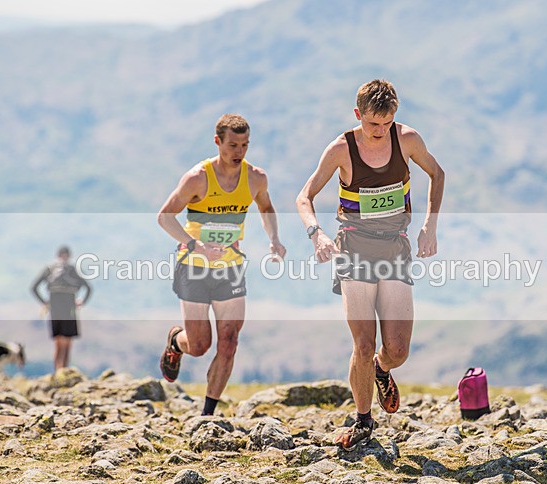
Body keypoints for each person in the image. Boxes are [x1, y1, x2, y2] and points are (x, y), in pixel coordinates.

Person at [296, 80, 445, 449]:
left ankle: (382, 369)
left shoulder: (407, 139)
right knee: (362, 344)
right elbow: (304, 197)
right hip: (354, 252)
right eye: (372, 124)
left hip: (395, 249)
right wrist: (317, 234)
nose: (380, 132)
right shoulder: (341, 149)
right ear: (357, 114)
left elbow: (437, 174)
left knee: (397, 350)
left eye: (386, 123)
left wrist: (429, 227)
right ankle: (363, 421)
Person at [157, 113, 287, 416]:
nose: (238, 152)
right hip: (194, 266)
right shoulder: (197, 178)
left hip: (230, 266)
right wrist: (194, 244)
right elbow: (165, 216)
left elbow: (266, 206)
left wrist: (274, 238)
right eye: (232, 145)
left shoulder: (255, 177)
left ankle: (207, 414)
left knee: (229, 341)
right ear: (218, 142)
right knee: (200, 345)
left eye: (244, 145)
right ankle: (177, 341)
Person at [31, 245, 92, 371]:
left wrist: (44, 302)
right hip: (69, 306)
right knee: (67, 341)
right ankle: (64, 369)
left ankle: (58, 370)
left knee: (58, 341)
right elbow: (88, 288)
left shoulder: (49, 269)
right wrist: (82, 302)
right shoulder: (73, 270)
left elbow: (34, 287)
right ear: (69, 256)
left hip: (54, 305)